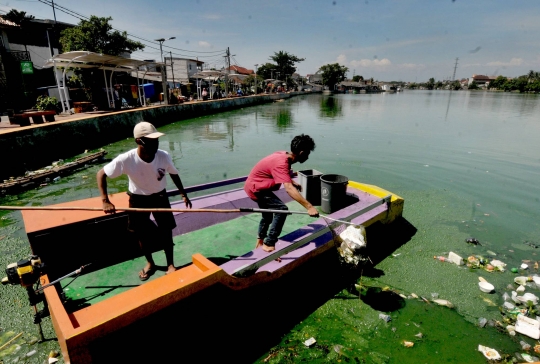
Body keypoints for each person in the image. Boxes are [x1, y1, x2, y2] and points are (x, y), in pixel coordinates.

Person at [97, 121, 192, 281]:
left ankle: (170, 264)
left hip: (160, 197)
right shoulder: (126, 159)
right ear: (139, 141)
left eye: (157, 140)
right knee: (141, 234)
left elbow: (174, 174)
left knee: (166, 231)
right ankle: (150, 263)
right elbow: (101, 174)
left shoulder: (163, 156)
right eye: (151, 140)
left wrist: (184, 194)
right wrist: (105, 200)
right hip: (138, 199)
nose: (156, 143)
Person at [244, 134, 319, 252]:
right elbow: (288, 188)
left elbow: (278, 172)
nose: (308, 157)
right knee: (281, 209)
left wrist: (291, 181)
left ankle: (260, 240)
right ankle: (269, 244)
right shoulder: (282, 162)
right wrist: (309, 207)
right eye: (308, 153)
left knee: (268, 215)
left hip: (254, 185)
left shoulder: (284, 155)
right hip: (257, 189)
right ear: (301, 153)